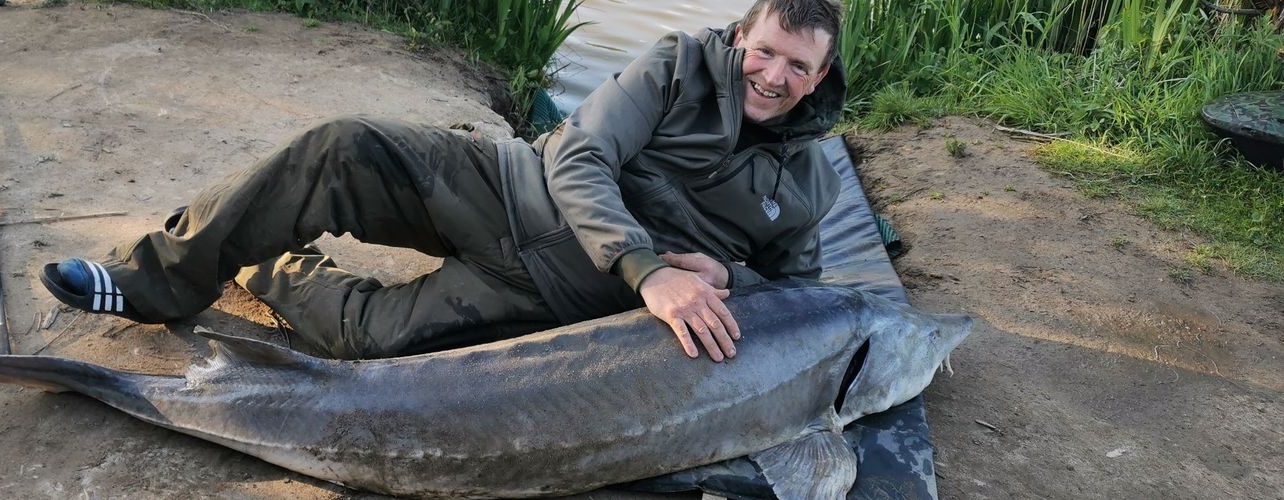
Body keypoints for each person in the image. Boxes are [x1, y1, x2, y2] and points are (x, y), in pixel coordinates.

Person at [42, 0, 845, 363]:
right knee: (343, 146)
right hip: (506, 186)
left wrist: (729, 276)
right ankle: (158, 279)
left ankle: (263, 262)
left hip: (560, 294)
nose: (772, 76)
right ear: (740, 35)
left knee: (370, 344)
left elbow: (800, 298)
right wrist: (649, 270)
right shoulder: (674, 64)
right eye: (763, 50)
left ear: (820, 77)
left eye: (796, 66)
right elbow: (580, 158)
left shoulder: (811, 182)